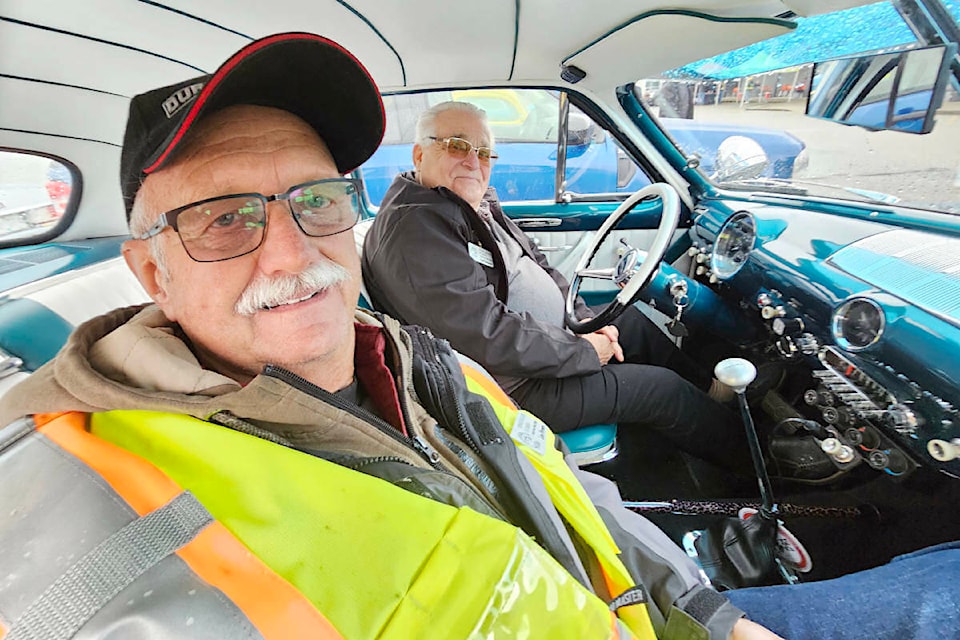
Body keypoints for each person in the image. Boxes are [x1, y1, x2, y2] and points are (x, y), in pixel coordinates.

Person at [1, 31, 956, 640]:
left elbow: (564, 490)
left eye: (316, 200)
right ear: (150, 269)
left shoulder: (413, 360)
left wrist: (704, 609)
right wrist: (587, 350)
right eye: (222, 218)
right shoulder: (84, 503)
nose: (290, 249)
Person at [362, 100, 748, 467]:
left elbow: (539, 264)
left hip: (537, 349)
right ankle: (754, 461)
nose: (472, 160)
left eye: (483, 152)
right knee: (659, 390)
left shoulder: (460, 204)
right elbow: (484, 335)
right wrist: (583, 350)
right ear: (419, 155)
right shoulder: (415, 232)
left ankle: (713, 400)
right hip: (510, 388)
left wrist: (583, 320)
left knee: (635, 327)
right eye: (458, 145)